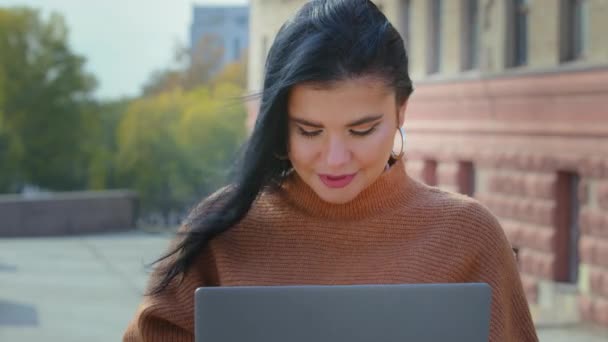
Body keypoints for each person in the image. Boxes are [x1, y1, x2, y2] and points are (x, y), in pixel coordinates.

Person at [123, 0, 538, 341]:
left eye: (361, 130)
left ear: (401, 111)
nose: (335, 158)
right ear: (279, 122)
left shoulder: (467, 233)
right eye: (309, 130)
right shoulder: (223, 229)